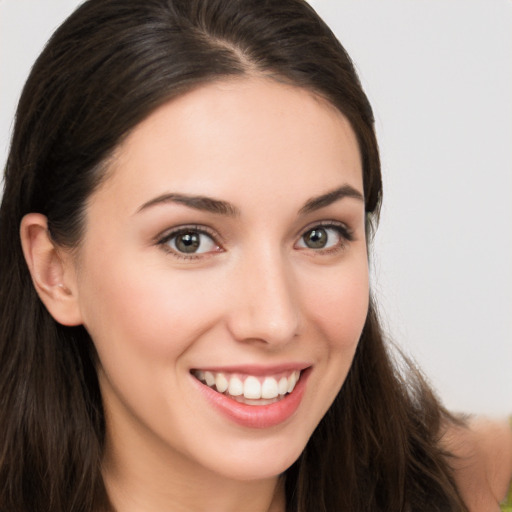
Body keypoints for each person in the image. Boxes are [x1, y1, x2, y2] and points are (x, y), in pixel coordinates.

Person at [0, 0, 510, 511]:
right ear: (55, 270)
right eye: (190, 240)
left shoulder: (484, 488)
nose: (275, 319)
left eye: (319, 235)